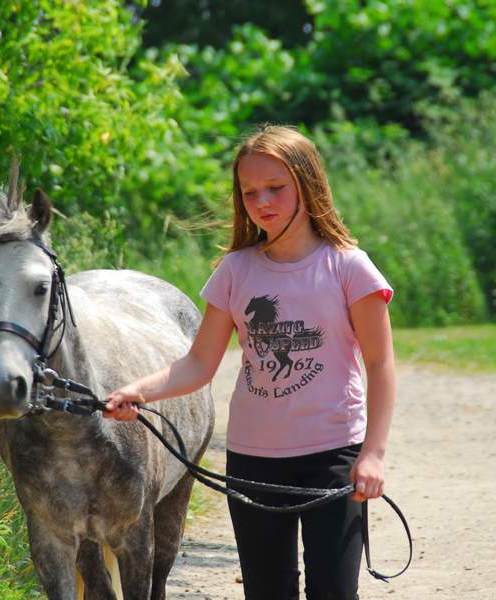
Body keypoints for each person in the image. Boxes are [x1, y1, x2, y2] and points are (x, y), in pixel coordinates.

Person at [104, 124, 396, 600]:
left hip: (332, 455)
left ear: (309, 183)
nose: (263, 202)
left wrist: (374, 455)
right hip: (253, 460)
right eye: (250, 192)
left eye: (276, 188)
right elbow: (198, 363)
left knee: (335, 592)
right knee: (267, 592)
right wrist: (138, 391)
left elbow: (381, 365)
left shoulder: (349, 267)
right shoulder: (235, 271)